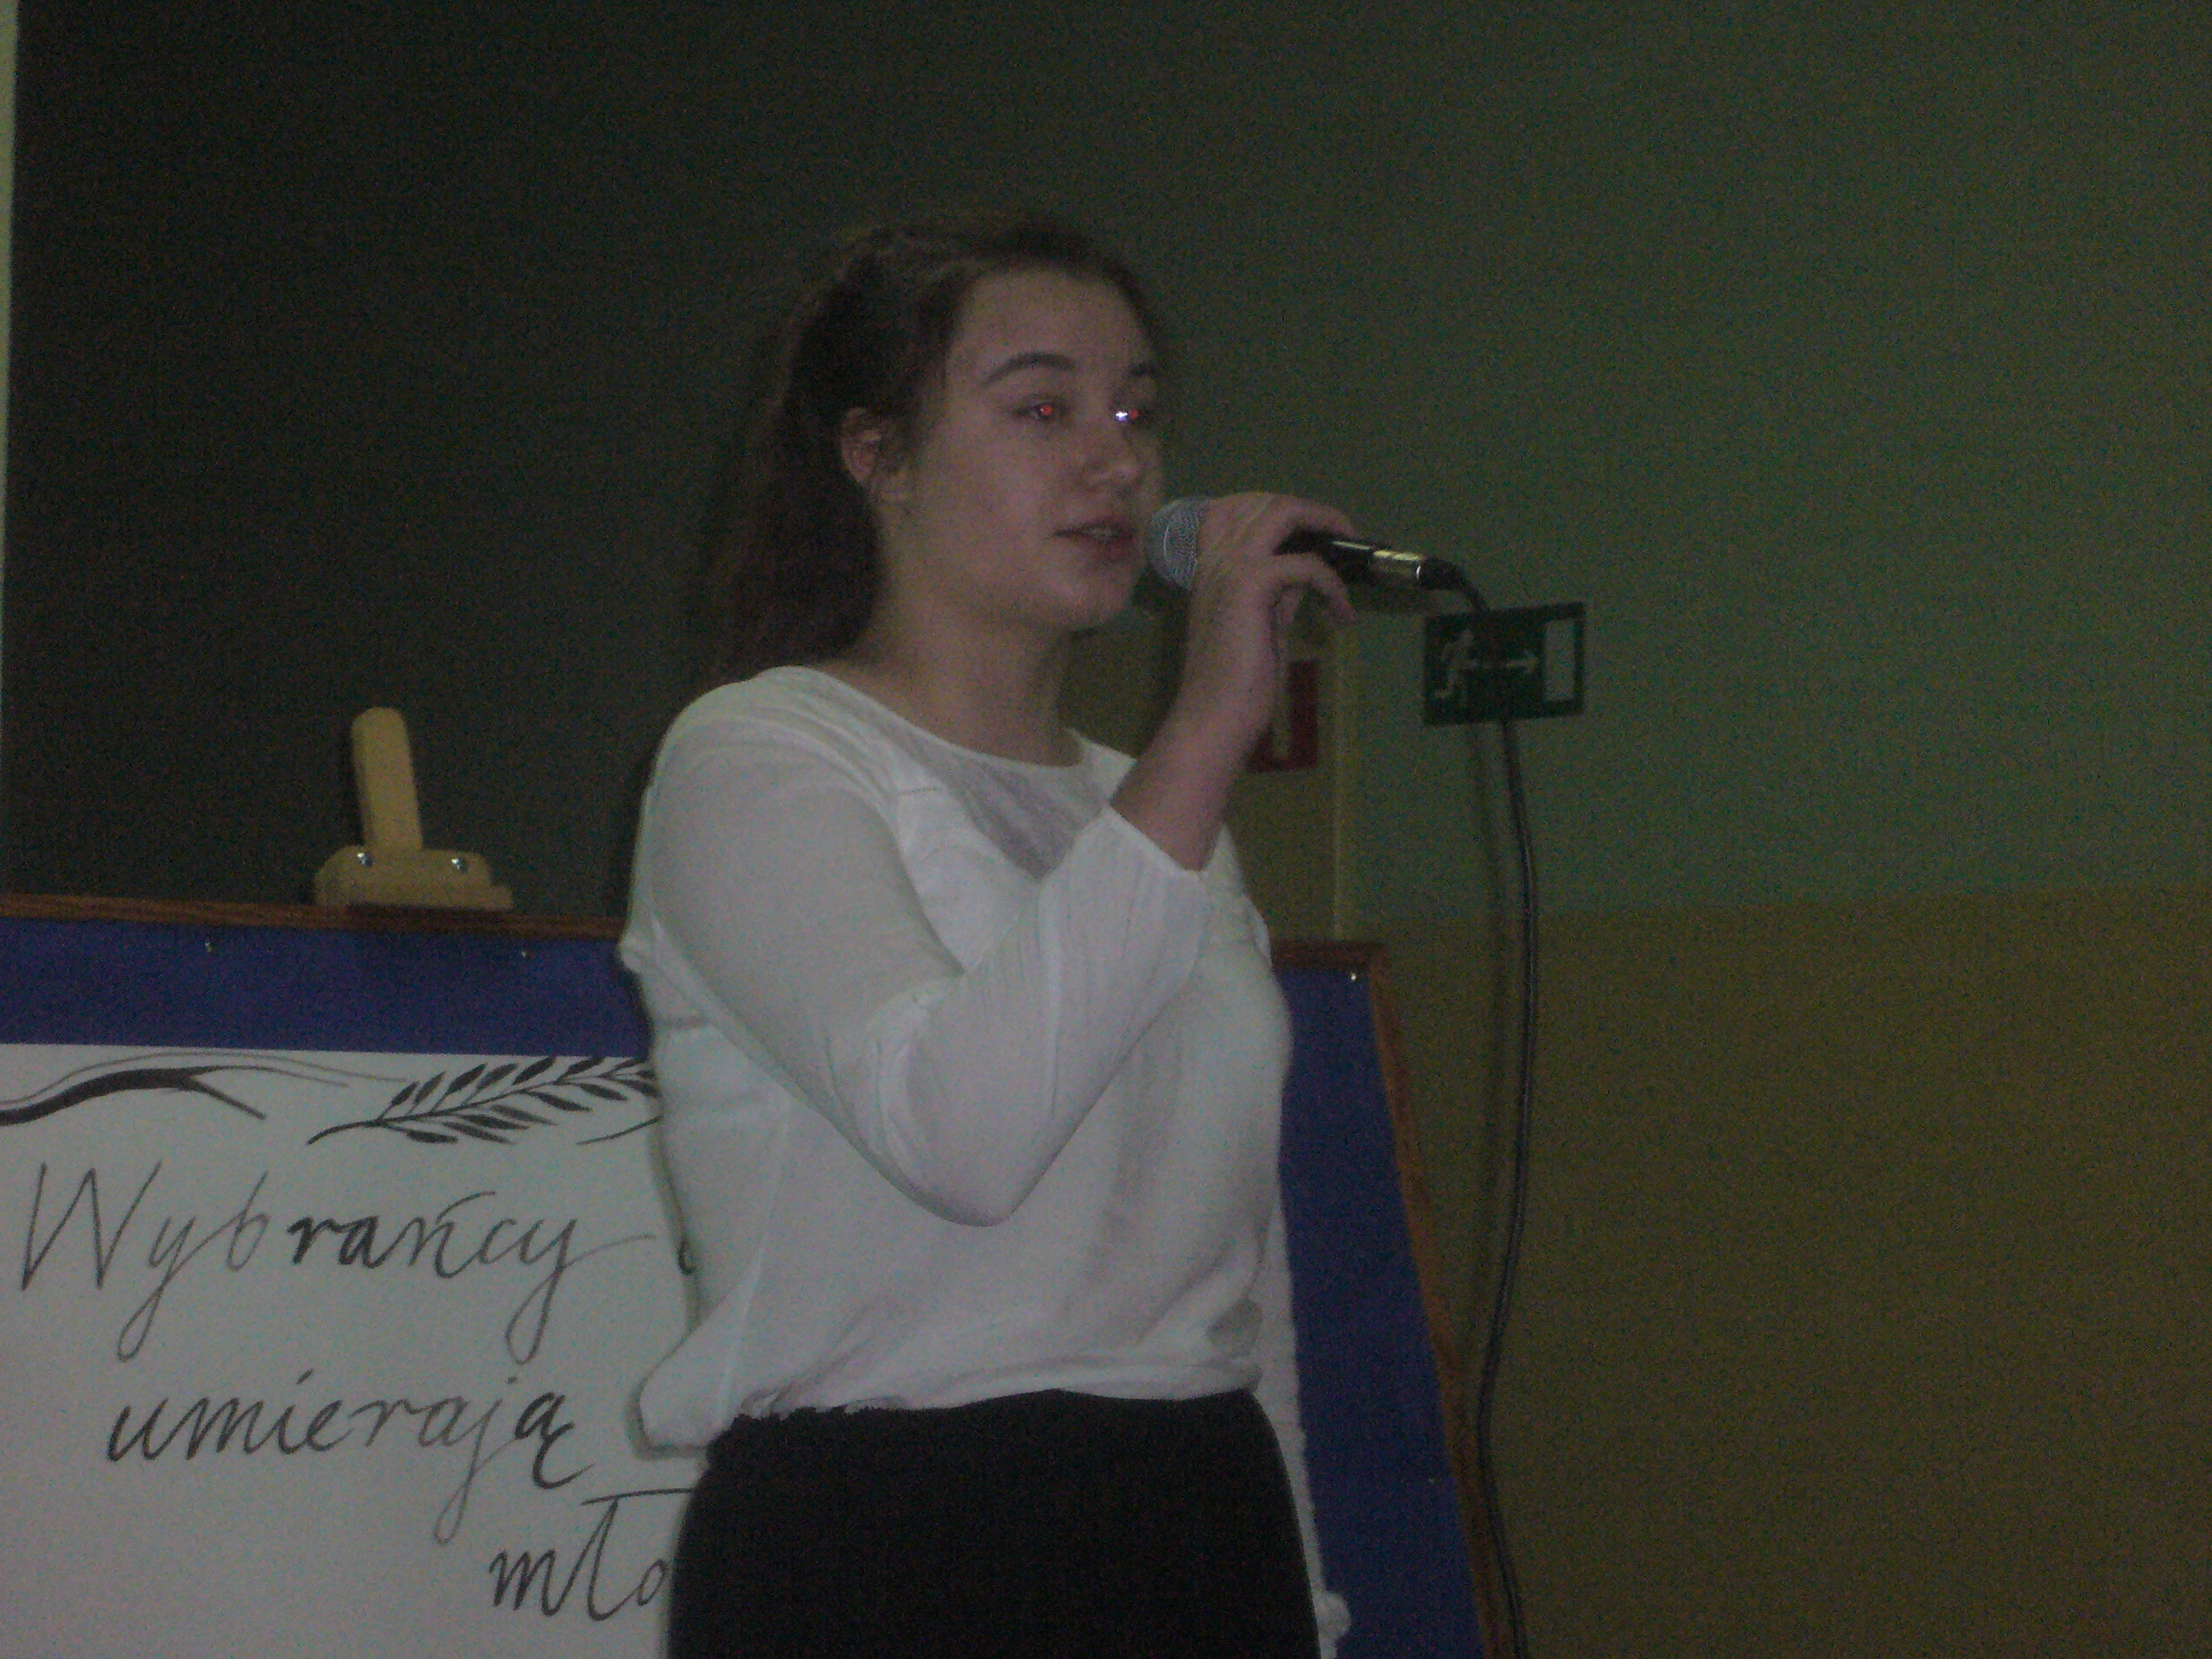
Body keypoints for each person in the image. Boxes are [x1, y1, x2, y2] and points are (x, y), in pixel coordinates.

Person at [620, 212, 1358, 1656]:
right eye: (1041, 409)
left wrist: (1305, 1606)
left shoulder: (1153, 815)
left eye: (1135, 410)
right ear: (876, 454)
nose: (1114, 461)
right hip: (893, 1539)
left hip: (1201, 1512)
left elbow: (1234, 1284)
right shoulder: (759, 755)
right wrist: (1208, 727)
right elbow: (963, 1136)